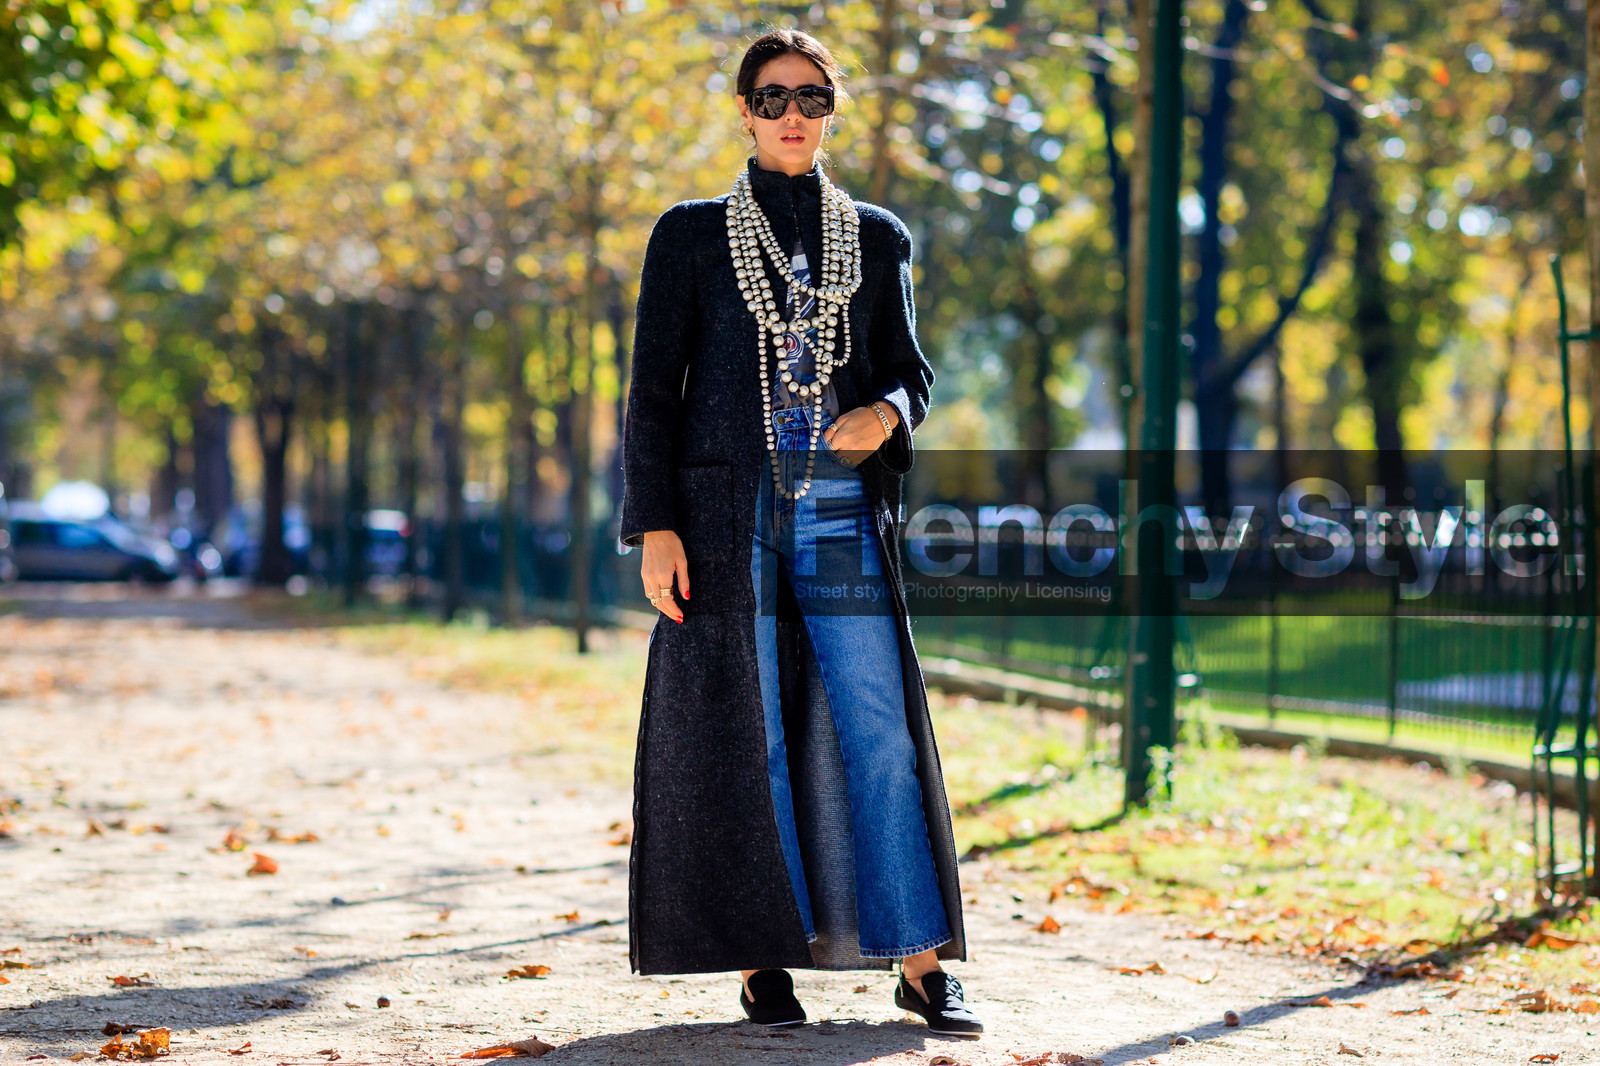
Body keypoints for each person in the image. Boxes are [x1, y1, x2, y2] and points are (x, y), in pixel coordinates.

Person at [618, 28, 981, 1039]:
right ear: (743, 110)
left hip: (835, 508)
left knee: (880, 731)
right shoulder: (688, 235)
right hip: (722, 518)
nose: (790, 112)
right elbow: (652, 395)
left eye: (810, 97)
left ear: (832, 111)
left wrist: (886, 417)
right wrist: (653, 525)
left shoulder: (875, 236)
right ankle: (760, 959)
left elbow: (912, 371)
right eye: (772, 95)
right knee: (753, 731)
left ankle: (918, 961)